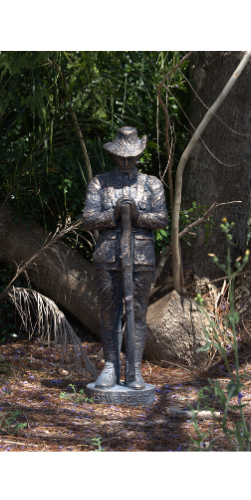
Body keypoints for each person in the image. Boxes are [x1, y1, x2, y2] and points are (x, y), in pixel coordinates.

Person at [83, 127, 168, 390]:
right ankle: (110, 365)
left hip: (141, 255)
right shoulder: (100, 182)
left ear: (139, 156)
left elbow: (162, 219)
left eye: (131, 157)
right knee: (109, 312)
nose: (126, 162)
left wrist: (138, 215)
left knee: (137, 313)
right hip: (108, 255)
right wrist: (114, 214)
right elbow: (88, 219)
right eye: (122, 157)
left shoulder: (151, 184)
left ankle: (134, 369)